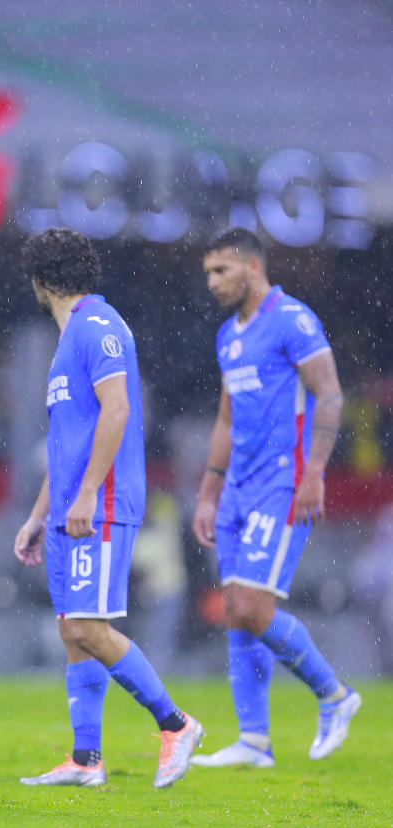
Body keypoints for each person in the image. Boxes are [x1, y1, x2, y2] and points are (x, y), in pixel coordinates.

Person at [13, 228, 204, 789]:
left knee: (91, 628)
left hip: (103, 504)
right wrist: (36, 513)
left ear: (40, 282)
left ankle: (176, 724)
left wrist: (91, 493)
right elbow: (67, 444)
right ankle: (85, 759)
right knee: (74, 631)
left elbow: (117, 410)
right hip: (69, 508)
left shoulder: (99, 326)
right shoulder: (71, 337)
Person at [189, 227, 360, 768]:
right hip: (237, 487)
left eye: (221, 271)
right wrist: (209, 492)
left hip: (281, 482)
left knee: (253, 606)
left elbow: (330, 392)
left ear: (253, 267)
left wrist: (315, 472)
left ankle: (334, 695)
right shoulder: (227, 335)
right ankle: (254, 741)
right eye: (208, 273)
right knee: (235, 612)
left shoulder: (292, 319)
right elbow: (225, 415)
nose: (212, 282)